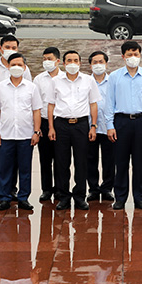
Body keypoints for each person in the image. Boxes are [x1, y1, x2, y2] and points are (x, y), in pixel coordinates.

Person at [101, 41, 142, 210]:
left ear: (140, 56)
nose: (133, 58)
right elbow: (109, 103)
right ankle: (120, 197)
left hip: (141, 121)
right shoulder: (114, 76)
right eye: (129, 54)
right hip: (121, 122)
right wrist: (110, 125)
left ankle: (140, 196)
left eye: (136, 54)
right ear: (123, 56)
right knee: (121, 161)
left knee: (141, 161)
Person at [48, 51, 100, 211]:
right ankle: (63, 196)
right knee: (61, 162)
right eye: (69, 60)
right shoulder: (55, 81)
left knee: (81, 162)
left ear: (80, 63)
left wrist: (93, 126)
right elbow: (50, 105)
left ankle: (79, 196)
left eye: (75, 60)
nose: (72, 63)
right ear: (63, 63)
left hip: (81, 125)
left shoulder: (88, 80)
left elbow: (93, 104)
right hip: (61, 125)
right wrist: (51, 127)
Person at [0, 52, 43, 212]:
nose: (16, 68)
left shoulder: (31, 88)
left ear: (25, 67)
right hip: (6, 135)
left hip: (26, 135)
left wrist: (36, 131)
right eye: (13, 65)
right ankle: (5, 197)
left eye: (20, 65)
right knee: (4, 168)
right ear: (8, 67)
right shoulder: (0, 87)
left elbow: (36, 111)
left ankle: (23, 198)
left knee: (25, 168)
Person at [0, 36, 30, 202]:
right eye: (7, 46)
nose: (10, 49)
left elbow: (29, 92)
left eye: (14, 47)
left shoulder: (24, 68)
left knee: (17, 155)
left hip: (18, 115)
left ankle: (13, 189)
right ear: (0, 48)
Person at [86, 51, 116, 202]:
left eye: (101, 62)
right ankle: (93, 188)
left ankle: (107, 188)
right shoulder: (86, 81)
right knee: (90, 159)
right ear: (90, 65)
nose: (98, 65)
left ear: (106, 63)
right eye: (95, 62)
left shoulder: (113, 81)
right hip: (90, 127)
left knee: (109, 159)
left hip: (108, 127)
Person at [34, 47, 62, 202]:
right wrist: (37, 128)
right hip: (44, 121)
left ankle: (60, 188)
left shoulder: (65, 77)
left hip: (61, 121)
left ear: (58, 61)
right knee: (45, 158)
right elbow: (36, 104)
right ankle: (46, 189)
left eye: (50, 59)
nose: (47, 62)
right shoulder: (38, 79)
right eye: (44, 59)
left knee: (61, 158)